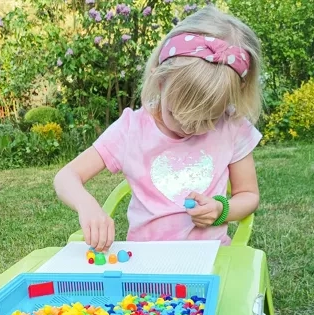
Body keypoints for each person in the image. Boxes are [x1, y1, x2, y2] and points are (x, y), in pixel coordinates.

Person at [54, 5, 262, 252]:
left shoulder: (232, 127)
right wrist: (87, 206)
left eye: (206, 120)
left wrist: (220, 209)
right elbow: (65, 177)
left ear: (229, 100)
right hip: (146, 263)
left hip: (210, 258)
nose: (189, 129)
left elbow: (248, 194)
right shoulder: (131, 130)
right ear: (159, 81)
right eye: (177, 115)